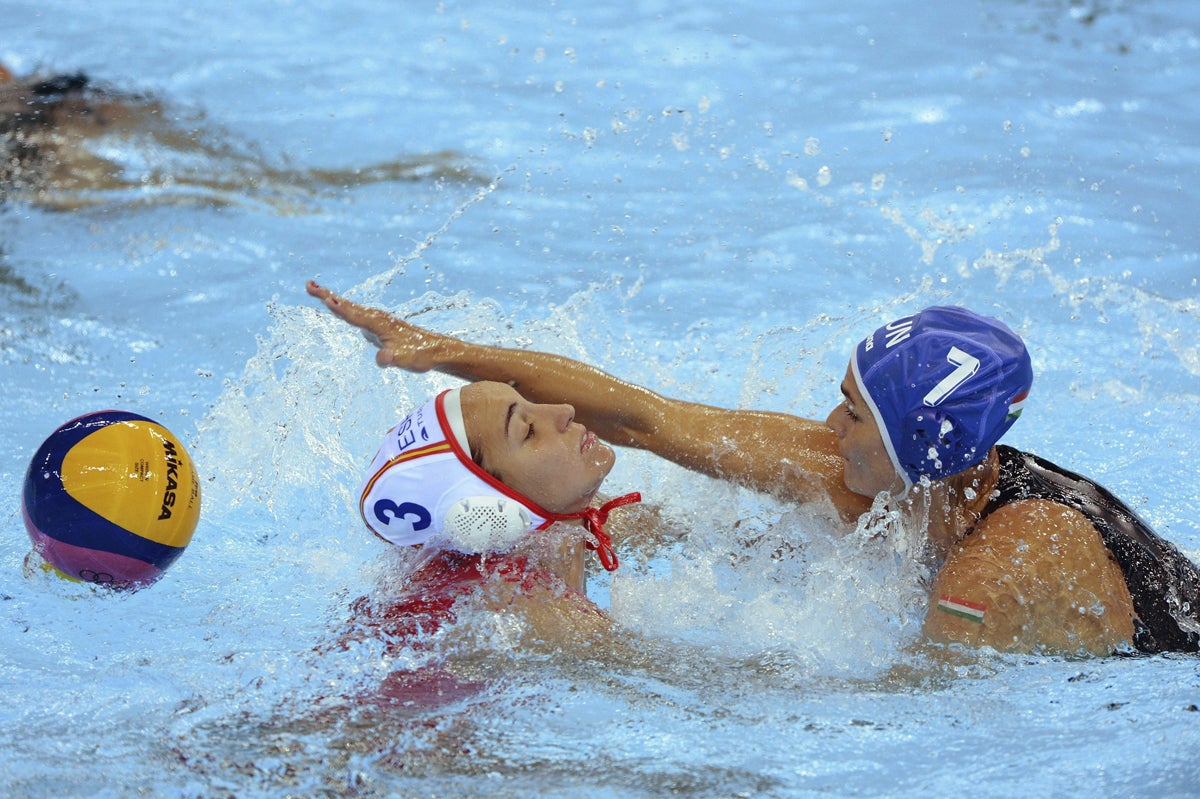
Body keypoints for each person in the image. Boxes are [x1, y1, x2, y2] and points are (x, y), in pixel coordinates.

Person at [307, 281, 1200, 657]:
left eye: (851, 410)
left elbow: (920, 715)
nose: (823, 425)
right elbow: (642, 416)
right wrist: (441, 350)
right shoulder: (883, 470)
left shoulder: (999, 569)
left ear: (911, 451)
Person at [330, 378, 642, 669]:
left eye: (530, 402)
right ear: (490, 509)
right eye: (528, 431)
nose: (564, 411)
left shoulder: (572, 519)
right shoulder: (514, 602)